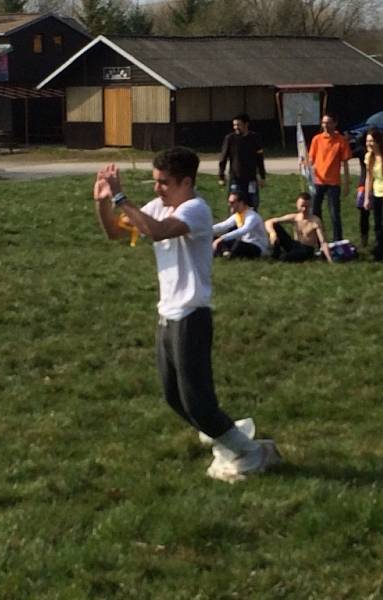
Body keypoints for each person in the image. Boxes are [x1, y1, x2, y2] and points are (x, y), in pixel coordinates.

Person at [92, 147, 280, 482]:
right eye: (156, 181)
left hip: (192, 315)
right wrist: (103, 201)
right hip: (167, 314)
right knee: (173, 397)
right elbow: (115, 232)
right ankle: (227, 436)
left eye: (164, 182)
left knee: (198, 402)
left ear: (186, 182)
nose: (157, 189)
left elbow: (158, 231)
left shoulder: (196, 209)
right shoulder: (157, 207)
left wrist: (121, 195)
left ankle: (252, 451)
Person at [308, 112, 351, 241]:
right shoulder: (317, 139)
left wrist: (346, 183)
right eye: (323, 123)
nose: (325, 125)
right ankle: (318, 239)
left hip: (333, 183)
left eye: (328, 123)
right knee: (315, 212)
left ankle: (338, 241)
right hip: (318, 181)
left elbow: (345, 162)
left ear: (334, 124)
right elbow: (311, 159)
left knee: (334, 214)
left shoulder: (341, 140)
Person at [265, 192, 333, 263]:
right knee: (275, 226)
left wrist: (330, 260)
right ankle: (275, 254)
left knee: (284, 258)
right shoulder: (295, 217)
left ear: (310, 206)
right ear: (297, 205)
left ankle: (282, 257)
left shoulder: (315, 221)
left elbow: (323, 242)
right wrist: (272, 233)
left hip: (306, 249)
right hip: (295, 244)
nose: (304, 209)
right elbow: (268, 222)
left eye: (306, 206)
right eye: (302, 206)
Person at [217, 113, 266, 208]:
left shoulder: (254, 138)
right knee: (234, 204)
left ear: (246, 124)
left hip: (251, 179)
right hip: (236, 179)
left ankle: (251, 222)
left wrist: (262, 176)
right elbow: (223, 159)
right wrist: (221, 176)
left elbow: (259, 158)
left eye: (238, 125)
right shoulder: (230, 139)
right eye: (234, 125)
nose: (236, 127)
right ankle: (234, 223)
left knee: (252, 204)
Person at [212, 191, 269, 259]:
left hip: (256, 246)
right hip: (244, 243)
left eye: (232, 202)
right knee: (213, 238)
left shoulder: (252, 216)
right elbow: (223, 225)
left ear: (241, 202)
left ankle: (224, 252)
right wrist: (205, 231)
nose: (229, 204)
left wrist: (222, 238)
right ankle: (225, 253)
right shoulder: (238, 215)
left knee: (236, 244)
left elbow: (244, 230)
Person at [363, 128, 383, 261]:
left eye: (372, 141)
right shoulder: (369, 157)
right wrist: (366, 197)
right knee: (377, 224)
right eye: (367, 141)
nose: (369, 144)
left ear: (378, 142)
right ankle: (379, 249)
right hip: (376, 192)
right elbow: (369, 177)